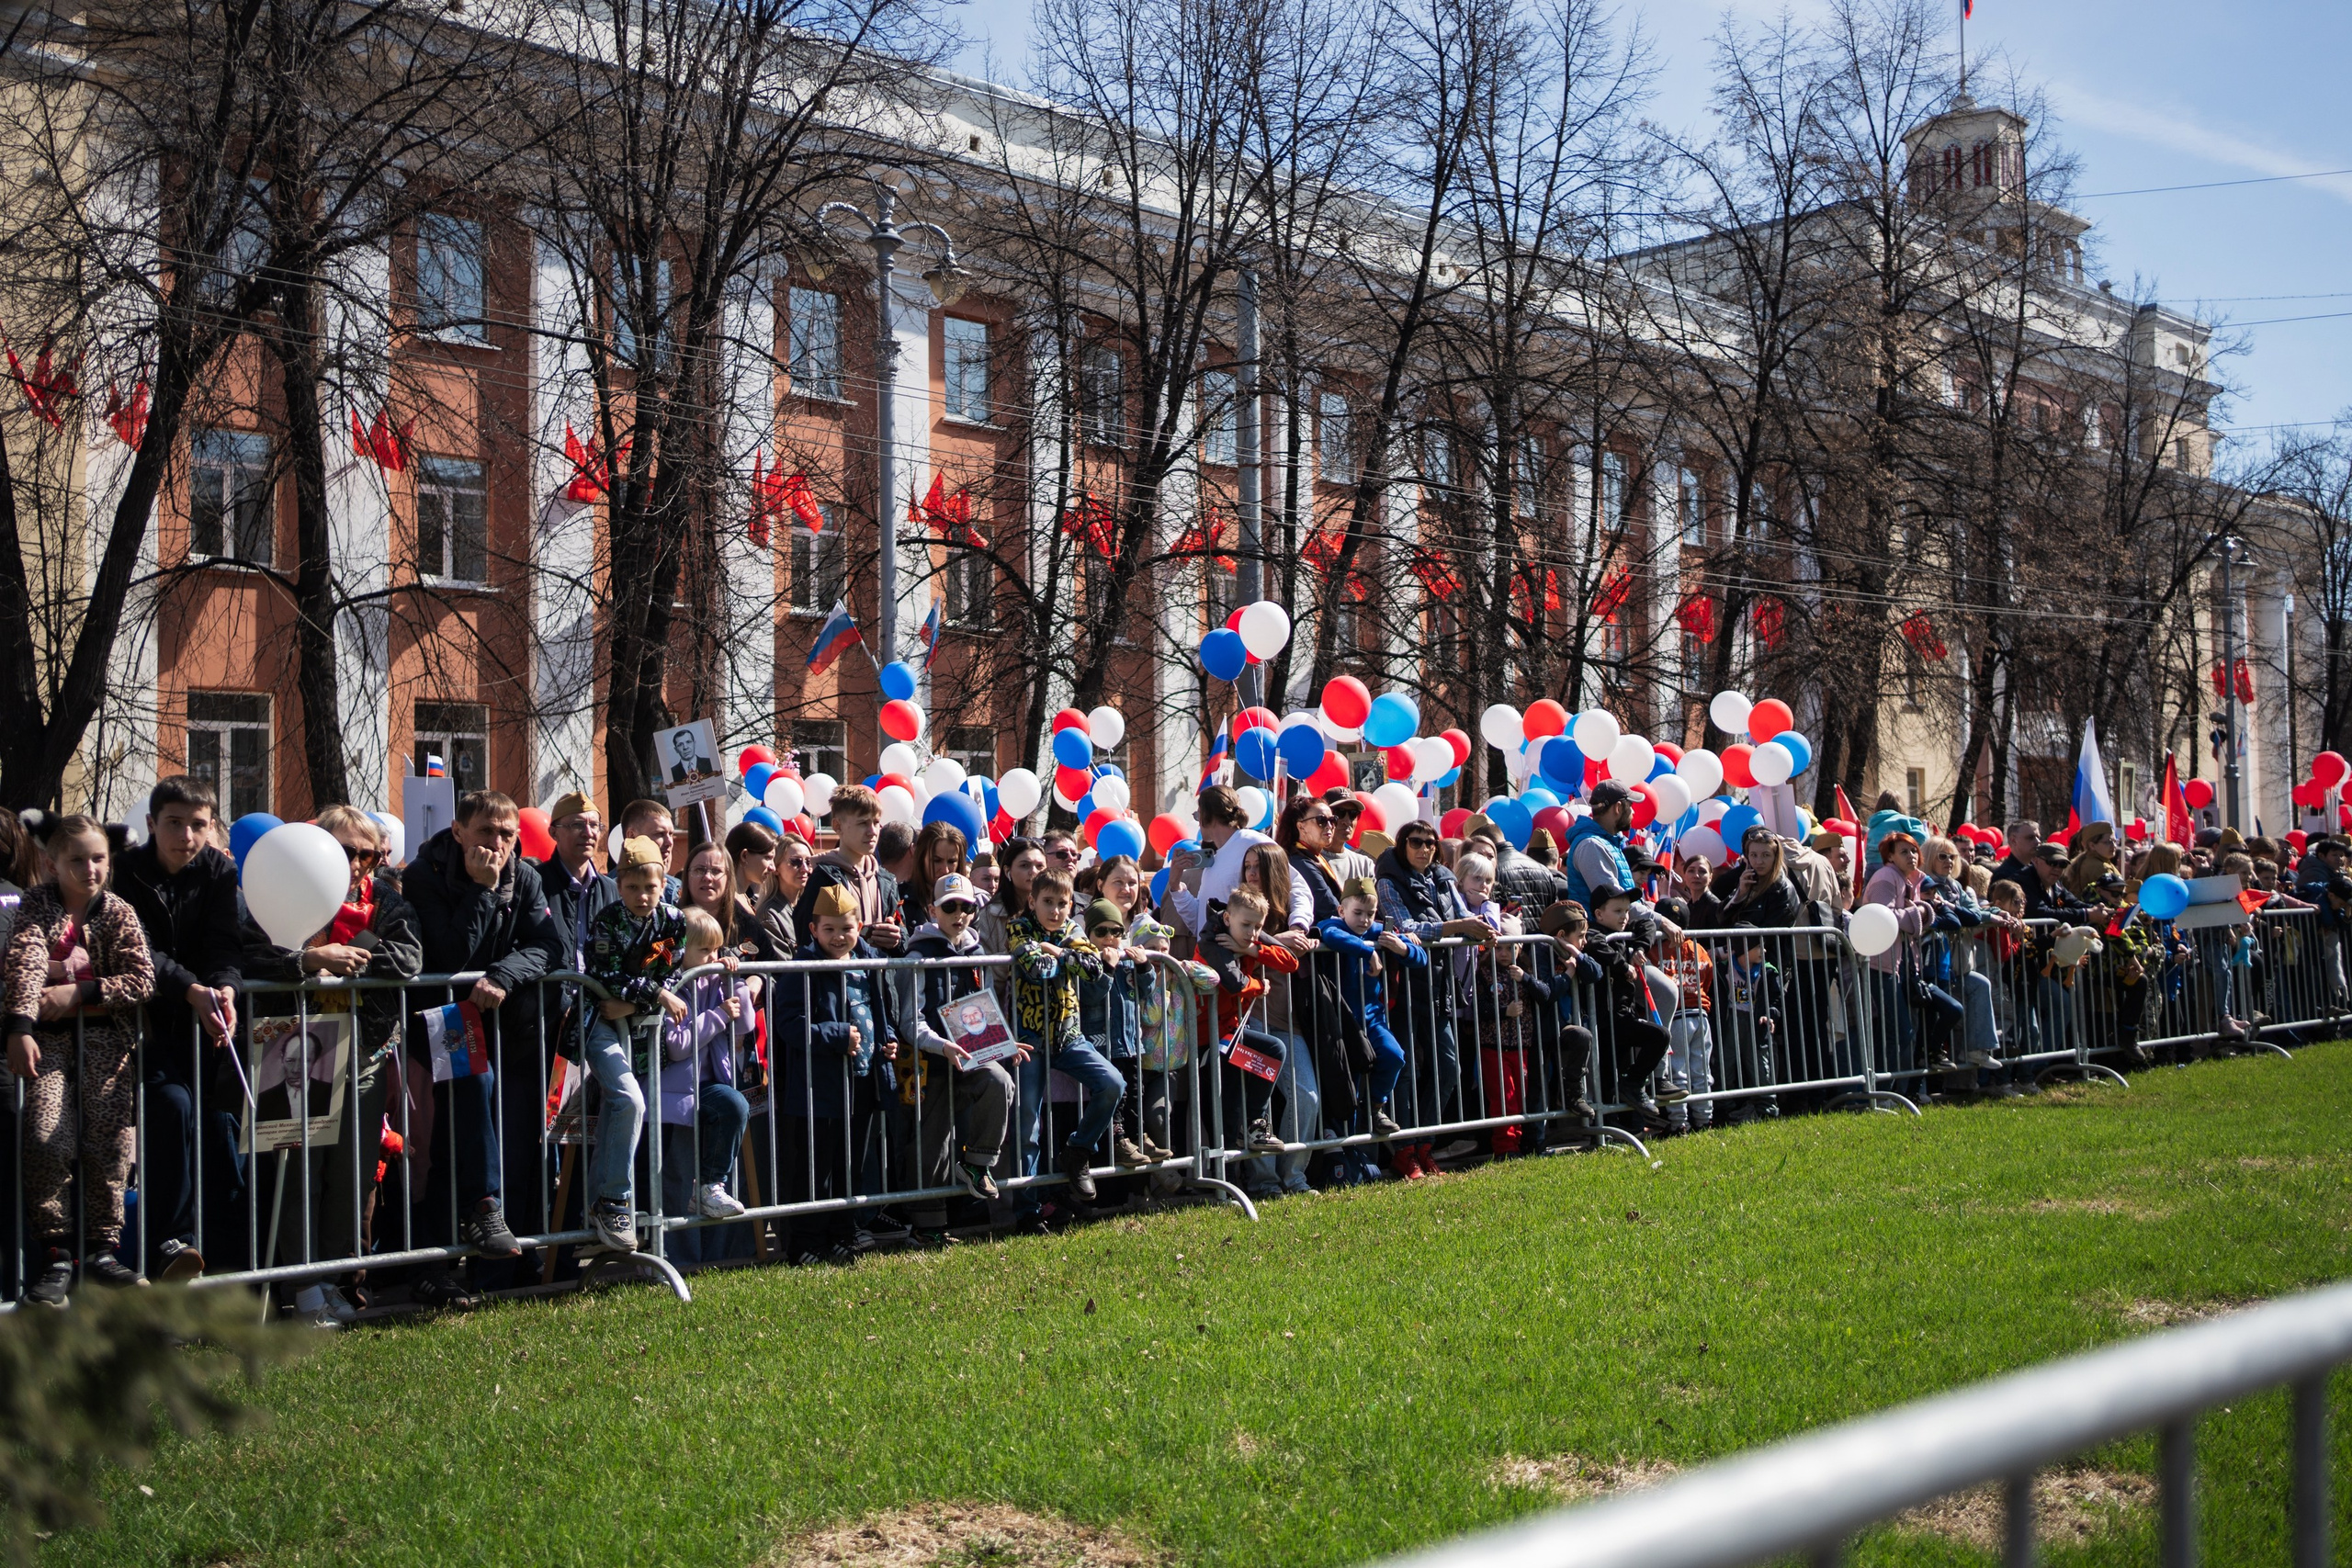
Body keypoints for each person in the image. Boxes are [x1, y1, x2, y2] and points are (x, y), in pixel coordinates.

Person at [237, 805, 423, 1325]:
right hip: (294, 1051)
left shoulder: (385, 900)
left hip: (362, 1052)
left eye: (368, 853)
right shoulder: (279, 882)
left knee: (352, 1174)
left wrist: (351, 956)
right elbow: (253, 952)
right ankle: (301, 1284)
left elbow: (409, 959)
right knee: (299, 1171)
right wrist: (309, 960)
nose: (359, 863)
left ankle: (339, 1276)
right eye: (346, 852)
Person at [402, 789, 559, 1303]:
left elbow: (547, 945)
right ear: (459, 831)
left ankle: (477, 1227)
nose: (497, 843)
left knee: (479, 1128)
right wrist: (482, 892)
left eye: (507, 834)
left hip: (501, 1025)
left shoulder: (528, 876)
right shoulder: (424, 874)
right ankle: (481, 1211)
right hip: (438, 1017)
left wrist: (503, 976)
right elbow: (446, 954)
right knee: (443, 1135)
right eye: (486, 832)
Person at [3, 816, 154, 1305]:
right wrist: (20, 1028)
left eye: (98, 859)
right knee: (48, 1139)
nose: (89, 869)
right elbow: (24, 964)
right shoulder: (36, 906)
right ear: (51, 863)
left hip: (108, 1047)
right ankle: (57, 1251)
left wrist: (79, 991)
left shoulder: (118, 911)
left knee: (110, 1144)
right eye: (76, 860)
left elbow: (141, 978)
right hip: (50, 1047)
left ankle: (102, 1250)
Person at [109, 774, 244, 1281]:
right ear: (151, 824)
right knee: (171, 1107)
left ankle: (230, 1263)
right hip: (143, 1023)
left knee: (216, 1129)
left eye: (197, 825)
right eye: (174, 823)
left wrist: (225, 986)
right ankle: (170, 1243)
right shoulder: (125, 872)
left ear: (211, 828)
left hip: (207, 1024)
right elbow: (138, 948)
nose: (186, 836)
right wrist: (191, 988)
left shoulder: (217, 871)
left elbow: (224, 941)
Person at [580, 836, 688, 1256]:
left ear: (664, 884)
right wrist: (654, 995)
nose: (642, 896)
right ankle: (613, 1201)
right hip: (599, 1024)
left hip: (640, 1026)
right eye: (632, 888)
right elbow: (602, 975)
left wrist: (635, 999)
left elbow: (670, 969)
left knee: (619, 1108)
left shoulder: (674, 920)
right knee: (631, 1101)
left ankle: (597, 1204)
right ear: (618, 884)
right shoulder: (607, 920)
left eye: (650, 887)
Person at [775, 885, 895, 1264]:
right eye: (829, 929)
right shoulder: (801, 968)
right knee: (817, 1167)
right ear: (813, 930)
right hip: (819, 1087)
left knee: (852, 1163)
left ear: (859, 925)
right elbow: (789, 1024)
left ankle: (844, 1231)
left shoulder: (869, 961)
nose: (839, 937)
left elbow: (880, 1009)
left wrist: (888, 1039)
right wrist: (836, 1035)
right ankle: (807, 1241)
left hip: (861, 1080)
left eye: (846, 928)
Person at [893, 873, 1017, 1227]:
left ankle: (977, 1164)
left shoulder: (977, 952)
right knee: (933, 1142)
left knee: (1000, 1081)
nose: (959, 914)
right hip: (930, 1060)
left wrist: (1004, 1040)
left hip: (969, 1057)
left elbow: (983, 1010)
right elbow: (909, 1020)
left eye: (966, 906)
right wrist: (940, 1045)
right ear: (933, 909)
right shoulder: (919, 953)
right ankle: (928, 1225)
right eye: (950, 907)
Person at [1006, 870, 1125, 1215]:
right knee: (1028, 1126)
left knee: (1112, 1083)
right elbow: (1033, 968)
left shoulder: (1073, 929)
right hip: (1028, 1038)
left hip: (1069, 1036)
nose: (1055, 911)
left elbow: (1093, 969)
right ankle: (1027, 1209)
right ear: (1032, 901)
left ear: (1071, 904)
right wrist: (1064, 958)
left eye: (1062, 904)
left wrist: (1056, 954)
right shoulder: (1018, 927)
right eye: (1047, 902)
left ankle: (1078, 1150)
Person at [1376, 818, 1488, 1170]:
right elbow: (1404, 927)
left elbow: (1465, 916)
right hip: (1405, 984)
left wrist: (1484, 929)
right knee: (1407, 1071)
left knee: (1449, 1066)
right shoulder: (1388, 880)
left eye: (1430, 842)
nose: (1424, 848)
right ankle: (1404, 1150)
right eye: (1415, 842)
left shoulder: (1442, 877)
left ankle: (1425, 1143)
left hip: (1441, 984)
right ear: (1401, 845)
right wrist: (1459, 928)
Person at [656, 907, 753, 1261]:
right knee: (676, 1177)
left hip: (708, 1089)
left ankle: (712, 1186)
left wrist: (735, 983)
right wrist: (716, 1015)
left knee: (735, 1104)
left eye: (717, 950)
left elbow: (744, 1026)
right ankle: (673, 1259)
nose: (712, 958)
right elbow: (678, 1046)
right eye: (704, 951)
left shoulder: (715, 981)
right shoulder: (670, 985)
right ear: (681, 950)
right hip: (674, 1098)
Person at [1313, 876, 1416, 1148]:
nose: (1365, 920)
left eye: (1371, 914)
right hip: (1341, 1022)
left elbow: (1421, 956)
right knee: (1349, 1083)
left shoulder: (1377, 931)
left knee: (1394, 1056)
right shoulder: (1333, 924)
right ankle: (1346, 1151)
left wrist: (1403, 948)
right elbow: (1328, 933)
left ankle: (1375, 1106)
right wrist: (1367, 952)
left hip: (1372, 1018)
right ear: (1341, 910)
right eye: (1357, 913)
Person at [1194, 886, 1295, 1162]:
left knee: (1232, 1103)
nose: (1252, 931)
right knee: (1221, 1110)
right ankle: (1225, 1173)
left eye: (1257, 927)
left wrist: (1251, 949)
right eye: (1247, 926)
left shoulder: (1247, 931)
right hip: (1206, 1038)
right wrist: (1260, 984)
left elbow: (1291, 961)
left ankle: (1253, 1126)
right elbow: (1234, 983)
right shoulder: (1211, 940)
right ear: (1227, 918)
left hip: (1230, 1032)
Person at [794, 785, 903, 954]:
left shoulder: (886, 880)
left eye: (876, 822)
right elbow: (807, 940)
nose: (872, 832)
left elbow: (905, 938)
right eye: (863, 823)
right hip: (840, 979)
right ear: (838, 826)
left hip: (880, 980)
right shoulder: (823, 878)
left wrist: (897, 939)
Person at [1648, 897, 1716, 1132]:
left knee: (1677, 1072)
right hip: (1700, 1014)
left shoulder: (1654, 948)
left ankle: (1679, 1122)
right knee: (1701, 1070)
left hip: (1676, 1016)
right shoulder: (1698, 949)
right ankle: (1704, 1118)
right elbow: (1707, 978)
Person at [977, 837, 1044, 956]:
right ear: (1008, 871)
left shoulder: (1057, 908)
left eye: (1039, 866)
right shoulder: (989, 915)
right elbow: (986, 968)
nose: (1033, 871)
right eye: (1024, 865)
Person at [899, 822, 968, 930]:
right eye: (937, 861)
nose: (945, 870)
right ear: (921, 858)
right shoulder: (898, 897)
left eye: (952, 861)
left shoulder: (969, 900)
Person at [618, 799, 684, 902]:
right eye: (659, 834)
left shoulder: (678, 888)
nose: (669, 842)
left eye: (671, 834)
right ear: (631, 836)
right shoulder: (609, 891)